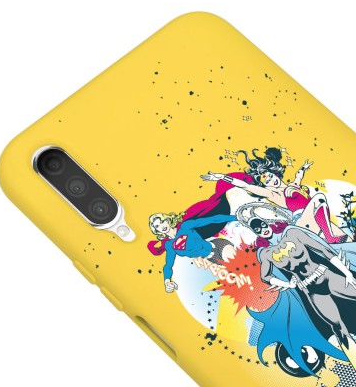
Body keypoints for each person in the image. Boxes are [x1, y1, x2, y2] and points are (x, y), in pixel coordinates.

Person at [201, 147, 349, 244]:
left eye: (271, 176)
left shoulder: (293, 186)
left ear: (275, 173)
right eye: (267, 181)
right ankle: (329, 236)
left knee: (346, 240)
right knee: (319, 198)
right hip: (302, 221)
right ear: (265, 186)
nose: (272, 181)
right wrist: (222, 177)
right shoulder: (271, 193)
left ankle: (330, 237)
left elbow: (298, 176)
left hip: (318, 218)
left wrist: (303, 168)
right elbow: (245, 185)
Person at [256, 227, 356, 369]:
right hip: (311, 289)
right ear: (256, 233)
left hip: (326, 276)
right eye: (257, 229)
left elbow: (323, 250)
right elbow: (265, 276)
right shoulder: (266, 254)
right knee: (338, 328)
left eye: (262, 225)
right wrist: (287, 284)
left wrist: (347, 273)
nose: (263, 229)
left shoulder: (292, 234)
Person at [149, 212, 237, 293]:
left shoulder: (185, 226)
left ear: (167, 220)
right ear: (157, 231)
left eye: (162, 222)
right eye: (157, 226)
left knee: (235, 264)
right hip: (213, 259)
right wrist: (167, 281)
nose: (162, 226)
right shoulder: (169, 245)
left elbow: (211, 219)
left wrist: (235, 217)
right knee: (236, 276)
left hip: (218, 246)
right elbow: (168, 265)